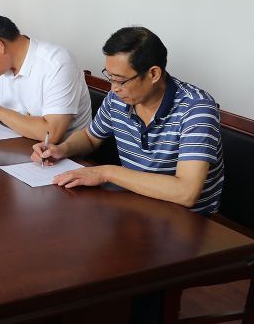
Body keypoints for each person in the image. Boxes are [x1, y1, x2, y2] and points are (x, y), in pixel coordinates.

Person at [31, 27, 224, 215]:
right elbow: (90, 137)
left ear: (153, 74)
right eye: (110, 77)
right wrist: (62, 149)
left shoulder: (196, 109)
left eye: (120, 80)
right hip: (135, 206)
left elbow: (186, 192)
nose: (114, 88)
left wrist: (106, 173)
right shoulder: (118, 99)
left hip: (188, 220)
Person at [0, 11, 91, 142]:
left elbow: (51, 134)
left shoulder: (57, 64)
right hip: (18, 144)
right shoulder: (1, 66)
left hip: (63, 156)